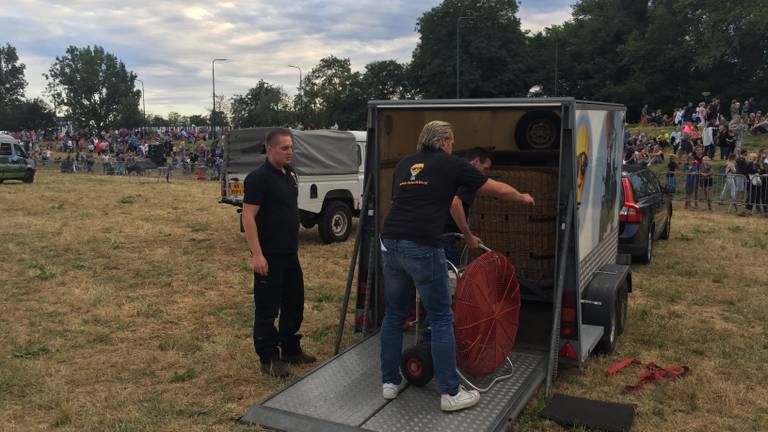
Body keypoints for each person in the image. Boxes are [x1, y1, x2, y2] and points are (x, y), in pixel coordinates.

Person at [379, 121, 534, 412]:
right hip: (422, 245)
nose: (452, 146)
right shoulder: (451, 164)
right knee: (440, 318)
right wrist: (522, 196)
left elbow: (406, 202)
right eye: (451, 141)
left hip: (390, 242)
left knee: (394, 314)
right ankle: (450, 392)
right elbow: (496, 189)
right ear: (443, 142)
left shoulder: (404, 164)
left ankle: (389, 382)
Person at [242, 128, 316, 378]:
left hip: (289, 252)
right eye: (284, 148)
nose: (289, 152)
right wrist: (257, 254)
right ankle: (269, 357)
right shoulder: (257, 178)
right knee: (267, 308)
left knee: (294, 302)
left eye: (291, 147)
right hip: (269, 254)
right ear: (270, 149)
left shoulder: (290, 174)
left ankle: (291, 349)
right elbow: (248, 216)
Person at [440, 147, 493, 265]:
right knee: (451, 277)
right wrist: (468, 236)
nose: (484, 174)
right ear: (476, 161)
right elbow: (455, 203)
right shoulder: (469, 177)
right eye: (485, 169)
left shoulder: (449, 169)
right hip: (444, 234)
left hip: (427, 233)